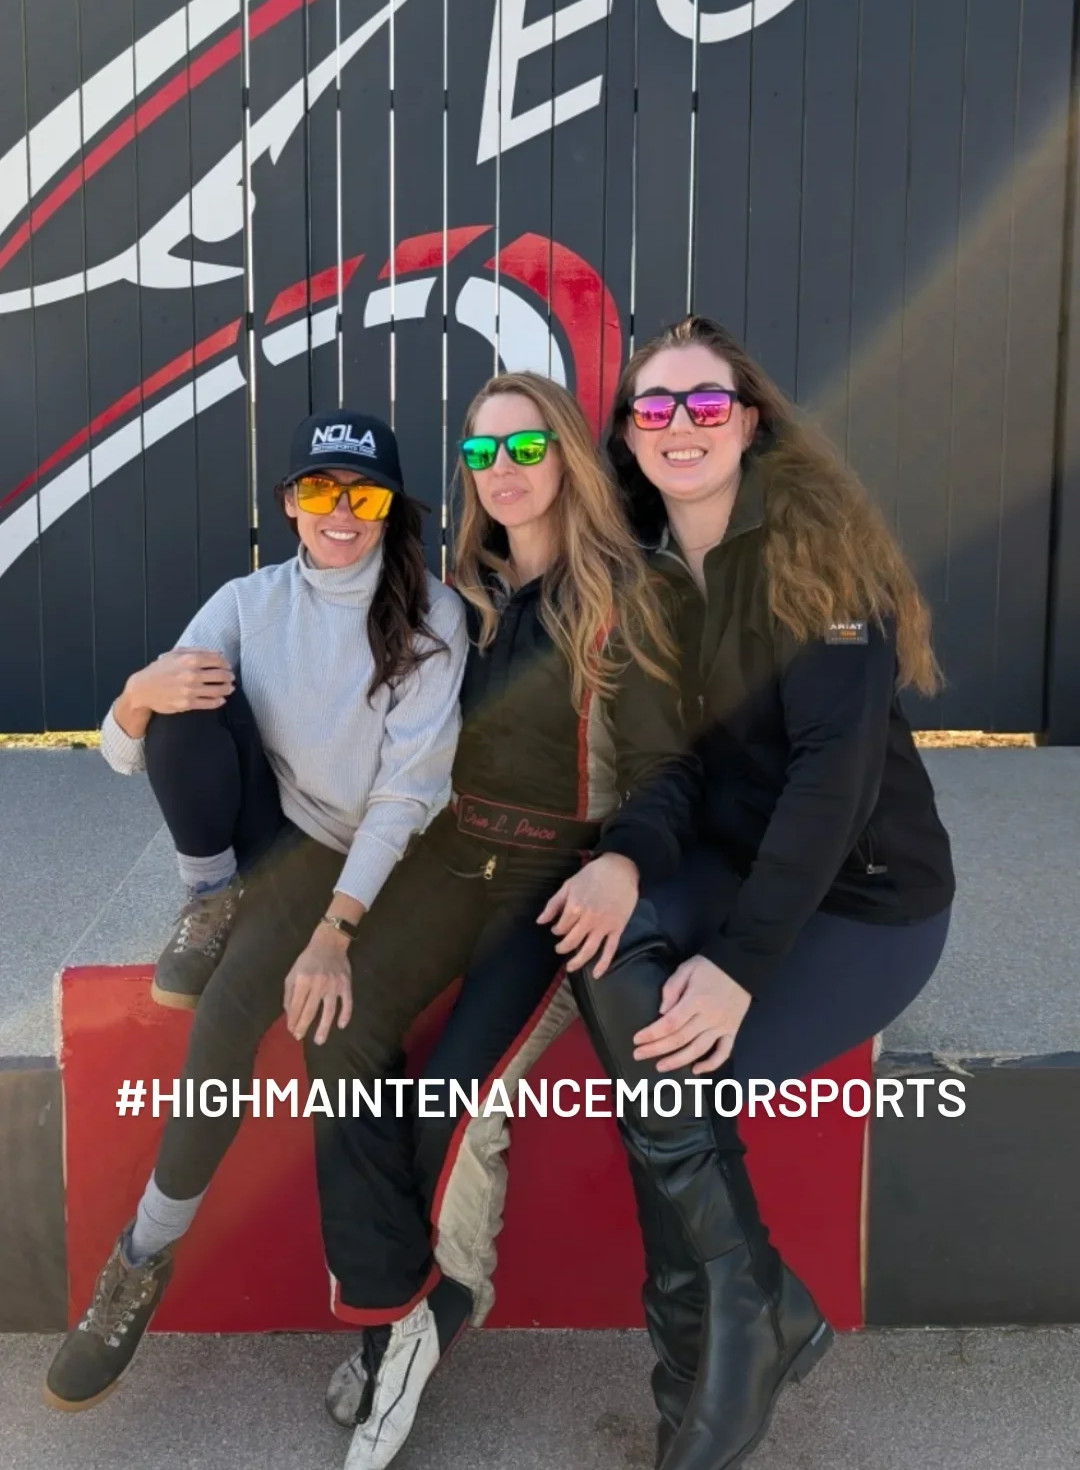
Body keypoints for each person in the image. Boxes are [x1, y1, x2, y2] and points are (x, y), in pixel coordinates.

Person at [567, 315, 956, 1470]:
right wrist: (627, 855)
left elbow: (831, 786)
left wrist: (736, 971)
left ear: (747, 421)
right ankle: (738, 1325)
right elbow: (672, 764)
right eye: (655, 407)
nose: (679, 425)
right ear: (630, 436)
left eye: (704, 403)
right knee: (599, 938)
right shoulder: (642, 567)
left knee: (678, 1075)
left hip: (867, 902)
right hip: (731, 863)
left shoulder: (814, 552)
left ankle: (728, 1340)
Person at [305, 371, 700, 1470]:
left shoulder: (633, 589)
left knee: (454, 1092)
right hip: (446, 856)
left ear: (568, 452)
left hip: (555, 876)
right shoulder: (454, 591)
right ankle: (394, 1311)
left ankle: (440, 1313)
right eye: (483, 455)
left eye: (525, 448)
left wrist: (624, 861)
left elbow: (671, 771)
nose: (506, 472)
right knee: (334, 1024)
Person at [44, 410, 467, 1414]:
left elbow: (407, 797)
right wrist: (140, 693)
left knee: (234, 1007)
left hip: (368, 858)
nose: (339, 513)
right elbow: (119, 749)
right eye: (318, 490)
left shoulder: (429, 619)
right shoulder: (249, 599)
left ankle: (142, 1253)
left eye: (360, 495)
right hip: (270, 839)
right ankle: (207, 895)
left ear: (391, 512)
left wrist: (335, 929)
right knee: (183, 700)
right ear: (288, 503)